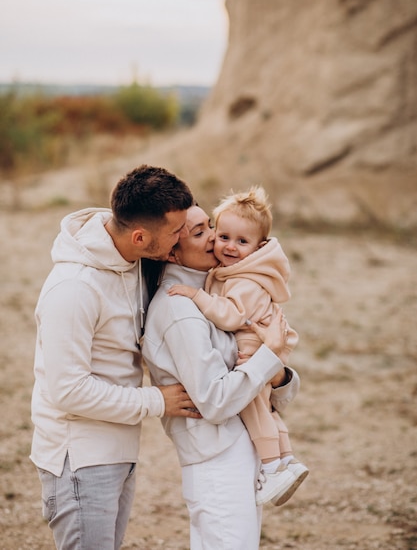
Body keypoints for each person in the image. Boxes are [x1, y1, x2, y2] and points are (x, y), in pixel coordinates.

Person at [30, 164, 201, 550]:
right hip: (80, 457)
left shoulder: (138, 260)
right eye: (176, 232)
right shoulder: (74, 290)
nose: (181, 239)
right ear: (140, 236)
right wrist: (158, 400)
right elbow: (67, 390)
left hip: (118, 445)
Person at [141, 204, 302, 550]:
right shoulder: (180, 309)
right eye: (200, 233)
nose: (215, 237)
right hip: (218, 460)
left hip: (238, 451)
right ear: (171, 251)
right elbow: (214, 401)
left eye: (210, 225)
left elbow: (257, 381)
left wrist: (277, 373)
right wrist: (269, 356)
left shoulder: (219, 295)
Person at [168, 186, 309, 507]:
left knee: (253, 404)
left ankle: (273, 467)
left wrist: (197, 296)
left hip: (254, 344)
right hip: (261, 343)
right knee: (266, 406)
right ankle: (287, 459)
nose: (229, 246)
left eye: (242, 242)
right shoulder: (243, 269)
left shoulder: (244, 280)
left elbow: (230, 316)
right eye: (224, 236)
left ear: (259, 246)